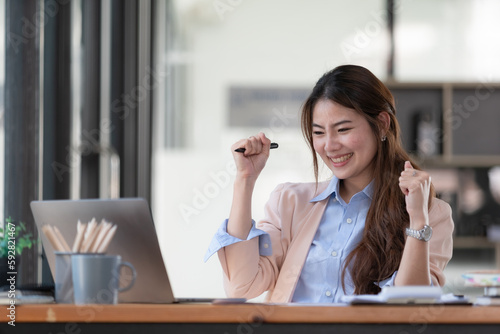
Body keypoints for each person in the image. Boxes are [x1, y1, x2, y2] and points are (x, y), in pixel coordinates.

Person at [204, 64, 454, 303]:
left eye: (343, 129)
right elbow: (241, 286)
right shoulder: (290, 202)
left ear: (381, 124)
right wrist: (244, 180)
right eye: (319, 133)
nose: (330, 145)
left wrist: (418, 220)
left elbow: (412, 304)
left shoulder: (432, 214)